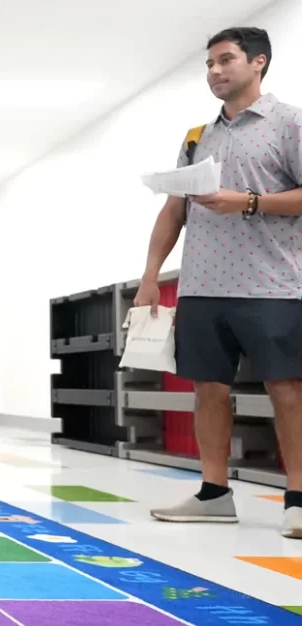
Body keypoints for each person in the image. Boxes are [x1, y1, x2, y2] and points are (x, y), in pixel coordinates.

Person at [133, 27, 302, 538]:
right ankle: (213, 494)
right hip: (202, 286)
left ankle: (297, 500)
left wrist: (246, 201)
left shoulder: (289, 123)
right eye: (209, 64)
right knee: (207, 390)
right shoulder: (196, 136)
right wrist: (148, 277)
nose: (215, 71)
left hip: (274, 285)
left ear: (259, 63)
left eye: (226, 60)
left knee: (288, 391)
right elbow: (173, 209)